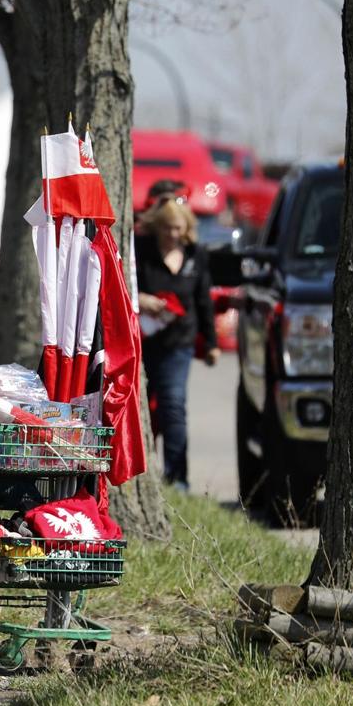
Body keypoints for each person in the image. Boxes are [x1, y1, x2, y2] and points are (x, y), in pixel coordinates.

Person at [135, 198, 219, 489]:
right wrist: (142, 301)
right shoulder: (141, 251)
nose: (172, 234)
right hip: (144, 341)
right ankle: (141, 474)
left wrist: (211, 342)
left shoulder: (196, 255)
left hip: (178, 342)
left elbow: (203, 300)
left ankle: (177, 478)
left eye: (178, 228)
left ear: (186, 228)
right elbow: (127, 286)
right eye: (167, 228)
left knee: (173, 404)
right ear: (157, 227)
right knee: (140, 407)